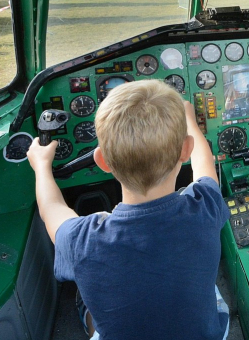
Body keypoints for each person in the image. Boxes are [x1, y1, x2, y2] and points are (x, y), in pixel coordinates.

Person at [27, 80, 230, 340]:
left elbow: (50, 208)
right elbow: (205, 165)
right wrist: (189, 118)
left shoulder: (81, 240)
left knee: (87, 301)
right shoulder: (206, 206)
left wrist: (42, 166)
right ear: (185, 150)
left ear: (102, 161)